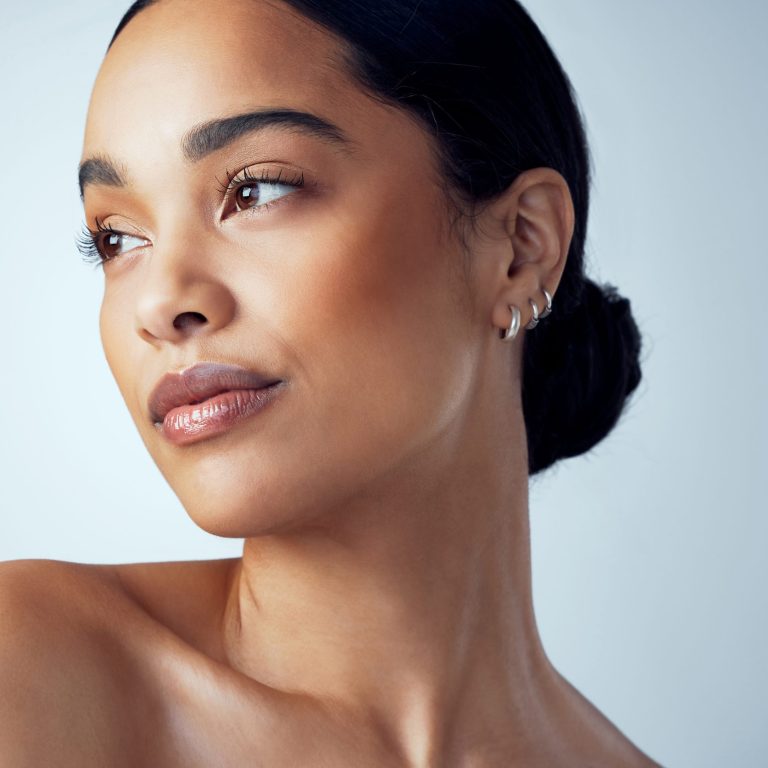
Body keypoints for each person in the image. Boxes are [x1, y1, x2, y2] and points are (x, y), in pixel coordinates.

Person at [0, 0, 659, 765]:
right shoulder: (34, 670)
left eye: (258, 191)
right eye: (116, 238)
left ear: (520, 247)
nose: (158, 301)